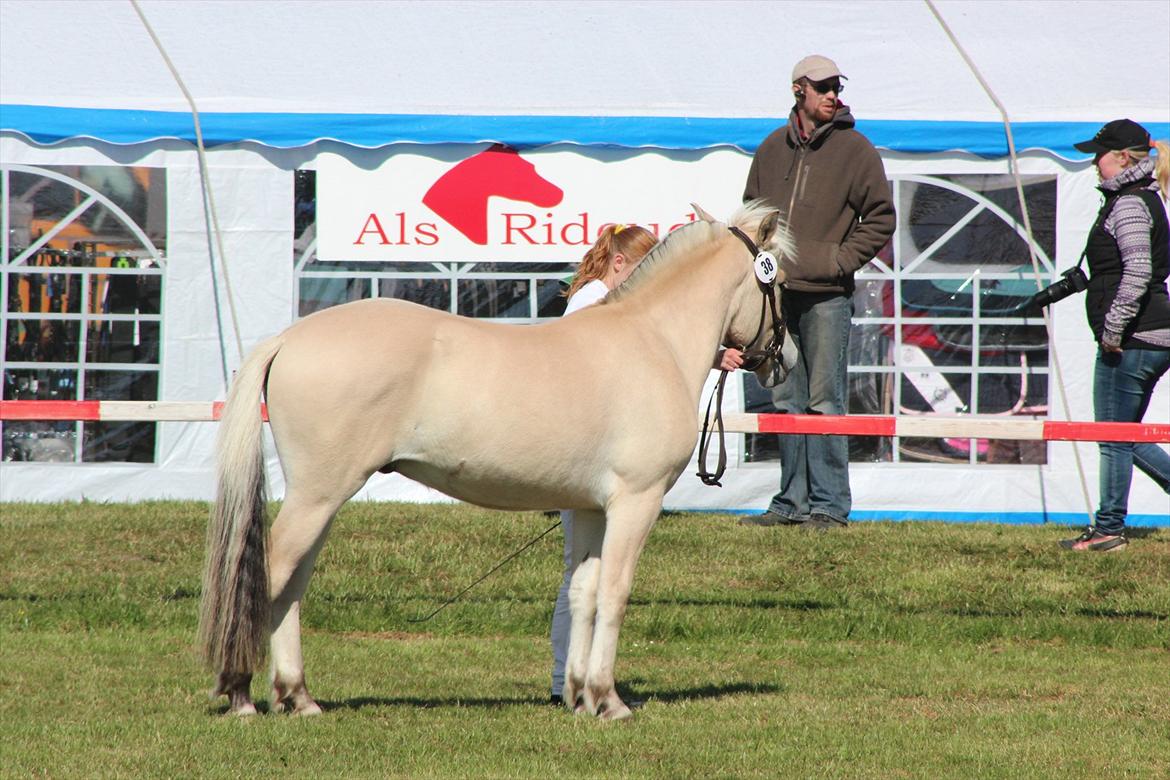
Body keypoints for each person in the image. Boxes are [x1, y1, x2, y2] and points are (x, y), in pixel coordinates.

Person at [739, 54, 895, 531]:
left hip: (828, 296)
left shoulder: (856, 149)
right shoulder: (769, 149)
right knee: (786, 400)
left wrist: (839, 261)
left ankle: (829, 506)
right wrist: (760, 268)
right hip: (779, 297)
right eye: (822, 87)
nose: (832, 94)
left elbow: (882, 218)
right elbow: (751, 218)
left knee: (824, 402)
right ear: (798, 91)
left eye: (835, 87)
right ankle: (791, 503)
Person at [549, 223, 657, 704]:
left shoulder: (603, 300)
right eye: (640, 271)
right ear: (620, 265)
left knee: (583, 569)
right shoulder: (592, 301)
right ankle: (562, 681)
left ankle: (572, 678)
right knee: (581, 570)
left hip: (591, 453)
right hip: (580, 452)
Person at [1061, 119, 1170, 552]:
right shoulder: (1143, 197)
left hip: (1134, 339)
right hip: (1153, 336)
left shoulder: (1127, 204)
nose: (1093, 162)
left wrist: (1113, 328)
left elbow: (1139, 271)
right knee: (1124, 433)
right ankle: (1108, 526)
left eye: (1099, 154)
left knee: (1111, 434)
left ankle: (1108, 530)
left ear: (1123, 158)